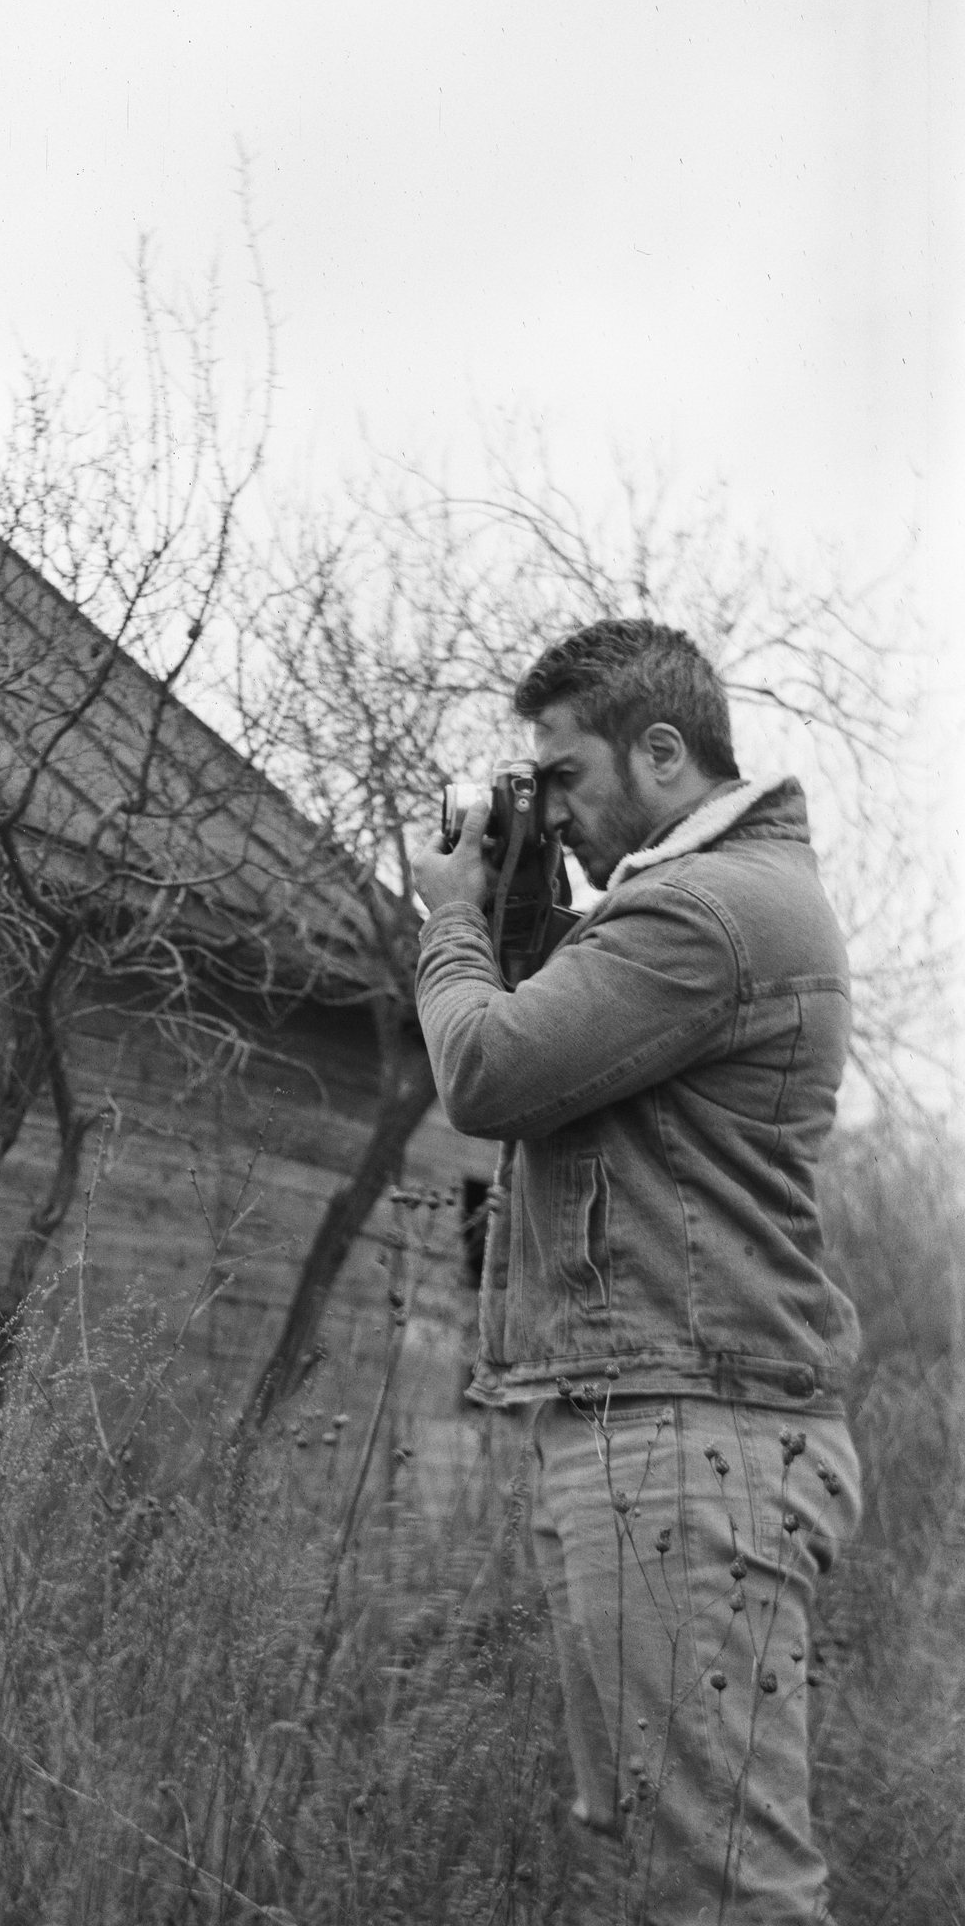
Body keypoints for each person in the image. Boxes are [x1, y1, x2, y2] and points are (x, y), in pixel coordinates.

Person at [411, 617, 862, 1925]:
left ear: (660, 753)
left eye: (565, 778)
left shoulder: (706, 912)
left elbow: (488, 1074)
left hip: (690, 1446)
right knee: (681, 1871)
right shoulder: (707, 905)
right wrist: (527, 922)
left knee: (728, 1889)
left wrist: (452, 925)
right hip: (673, 1432)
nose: (548, 810)